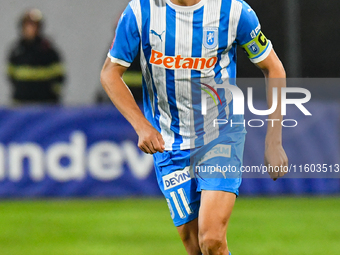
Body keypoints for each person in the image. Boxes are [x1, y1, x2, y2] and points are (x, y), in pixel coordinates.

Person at [101, 0, 288, 254]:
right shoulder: (140, 12)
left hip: (220, 134)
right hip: (169, 144)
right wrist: (141, 126)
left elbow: (273, 68)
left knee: (211, 239)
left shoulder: (233, 11)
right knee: (196, 248)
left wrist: (273, 141)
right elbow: (110, 73)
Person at [7, 8, 65, 104]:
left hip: (44, 104)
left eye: (33, 26)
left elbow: (59, 75)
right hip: (21, 104)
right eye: (27, 26)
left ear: (39, 28)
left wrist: (52, 95)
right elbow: (10, 75)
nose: (30, 29)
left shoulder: (48, 50)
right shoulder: (16, 51)